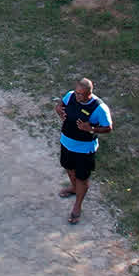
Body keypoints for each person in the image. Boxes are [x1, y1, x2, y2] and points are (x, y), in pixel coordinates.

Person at [55, 77, 113, 224]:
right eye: (76, 92)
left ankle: (77, 206)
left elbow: (108, 128)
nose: (77, 96)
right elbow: (60, 105)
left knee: (82, 177)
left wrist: (91, 128)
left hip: (84, 149)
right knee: (68, 168)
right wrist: (59, 111)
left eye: (81, 94)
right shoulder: (70, 96)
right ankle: (74, 188)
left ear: (89, 93)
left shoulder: (99, 108)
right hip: (66, 143)